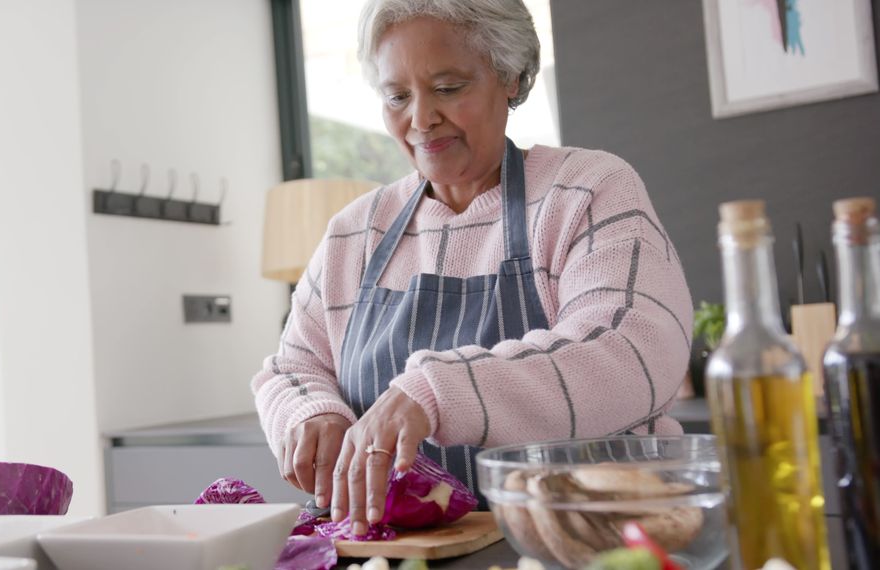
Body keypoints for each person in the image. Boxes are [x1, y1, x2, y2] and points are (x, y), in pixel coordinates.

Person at [251, 0, 693, 537]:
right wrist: (311, 413)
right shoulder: (354, 232)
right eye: (397, 96)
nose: (420, 118)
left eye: (447, 87)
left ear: (509, 76)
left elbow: (633, 350)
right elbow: (292, 366)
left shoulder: (586, 189)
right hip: (405, 549)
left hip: (592, 543)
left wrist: (434, 393)